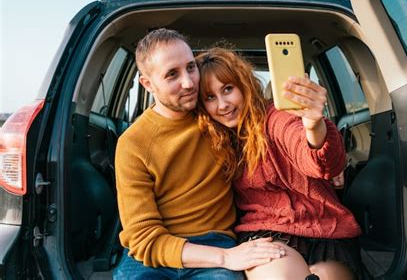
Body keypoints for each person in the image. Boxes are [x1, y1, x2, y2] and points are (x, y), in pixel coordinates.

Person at [113, 29, 286, 279]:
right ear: (148, 84)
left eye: (191, 67)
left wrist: (317, 153)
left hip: (215, 242)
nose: (189, 82)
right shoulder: (133, 143)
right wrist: (226, 258)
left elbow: (272, 133)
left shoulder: (219, 115)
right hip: (153, 256)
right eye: (172, 74)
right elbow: (143, 239)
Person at [196, 47, 364, 280]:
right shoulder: (213, 140)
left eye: (228, 89)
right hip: (268, 233)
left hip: (325, 228)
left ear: (244, 85)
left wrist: (314, 125)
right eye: (210, 97)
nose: (223, 104)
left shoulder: (276, 117)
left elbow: (316, 158)